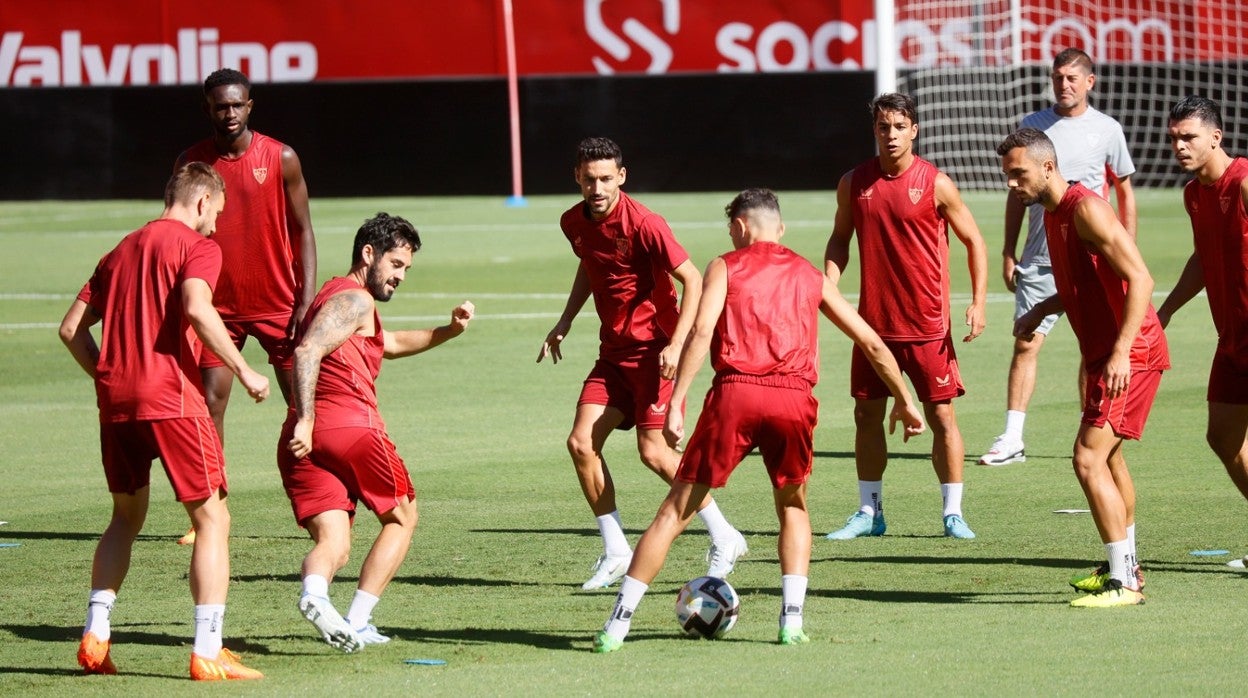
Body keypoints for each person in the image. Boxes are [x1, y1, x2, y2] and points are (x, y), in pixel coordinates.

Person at [592, 189, 924, 653]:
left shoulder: (725, 265)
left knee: (675, 510)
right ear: (780, 229)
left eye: (731, 228)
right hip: (794, 399)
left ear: (742, 226)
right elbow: (869, 341)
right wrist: (905, 400)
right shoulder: (810, 274)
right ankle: (791, 622)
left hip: (736, 394)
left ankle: (617, 625)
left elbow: (703, 331)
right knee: (792, 506)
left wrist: (679, 400)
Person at [59, 162, 270, 679]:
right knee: (213, 519)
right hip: (173, 399)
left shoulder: (118, 252)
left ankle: (97, 634)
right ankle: (207, 649)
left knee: (124, 520)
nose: (216, 225)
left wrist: (107, 376)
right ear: (201, 202)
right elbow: (198, 308)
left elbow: (70, 329)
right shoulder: (198, 248)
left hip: (117, 405)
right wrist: (244, 369)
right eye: (216, 213)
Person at [538, 137, 746, 589]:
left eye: (606, 179)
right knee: (580, 444)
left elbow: (691, 279)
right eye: (589, 179)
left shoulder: (645, 223)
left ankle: (725, 535)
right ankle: (615, 550)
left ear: (622, 177)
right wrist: (565, 320)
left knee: (653, 452)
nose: (597, 188)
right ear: (577, 177)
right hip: (612, 356)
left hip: (655, 354)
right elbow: (590, 264)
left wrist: (675, 342)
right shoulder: (572, 221)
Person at [279, 212, 474, 652]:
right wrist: (309, 417)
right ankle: (360, 621)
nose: (401, 276)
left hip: (302, 441)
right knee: (402, 516)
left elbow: (388, 343)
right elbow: (306, 350)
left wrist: (448, 331)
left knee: (335, 542)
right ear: (369, 254)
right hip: (347, 426)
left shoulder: (335, 299)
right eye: (397, 264)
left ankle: (314, 595)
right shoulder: (356, 301)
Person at [998, 127, 1168, 607]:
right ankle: (1125, 564)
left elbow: (1141, 278)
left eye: (1018, 174)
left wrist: (1121, 351)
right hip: (1105, 352)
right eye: (1007, 175)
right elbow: (1085, 282)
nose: (1011, 184)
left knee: (1088, 458)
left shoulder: (1087, 208)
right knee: (1109, 460)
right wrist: (1043, 307)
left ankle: (1124, 581)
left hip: (1130, 354)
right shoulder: (1053, 214)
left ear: (1047, 167)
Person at [823, 93, 988, 541]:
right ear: (874, 130)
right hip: (872, 325)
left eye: (899, 126)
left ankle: (953, 512)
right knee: (865, 415)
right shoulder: (853, 183)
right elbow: (840, 239)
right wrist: (829, 283)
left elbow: (973, 240)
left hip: (926, 325)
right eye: (883, 126)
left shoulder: (935, 182)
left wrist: (977, 301)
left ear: (914, 130)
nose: (891, 134)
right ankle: (869, 511)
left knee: (941, 417)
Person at [174, 68, 317, 546]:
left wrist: (305, 296)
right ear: (207, 108)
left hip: (278, 304)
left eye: (237, 104)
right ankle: (210, 509)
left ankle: (319, 500)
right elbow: (177, 234)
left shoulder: (281, 157)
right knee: (209, 404)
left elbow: (304, 230)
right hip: (218, 308)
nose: (229, 113)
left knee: (302, 401)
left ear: (250, 105)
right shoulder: (191, 164)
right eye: (220, 106)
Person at [981, 48, 1138, 466]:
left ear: (1090, 82)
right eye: (1056, 77)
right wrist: (1008, 249)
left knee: (1096, 349)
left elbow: (1123, 191)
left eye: (1071, 78)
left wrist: (1128, 248)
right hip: (1040, 255)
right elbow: (1016, 196)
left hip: (1092, 258)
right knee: (1026, 341)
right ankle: (1013, 436)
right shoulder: (1032, 127)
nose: (1063, 85)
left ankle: (1095, 426)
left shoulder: (1107, 129)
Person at [1156, 96, 1248, 568]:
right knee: (1223, 437)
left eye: (1188, 136)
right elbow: (1202, 259)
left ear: (1216, 137)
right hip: (1231, 339)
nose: (1179, 145)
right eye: (1174, 138)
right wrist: (1166, 310)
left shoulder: (1245, 182)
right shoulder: (1195, 194)